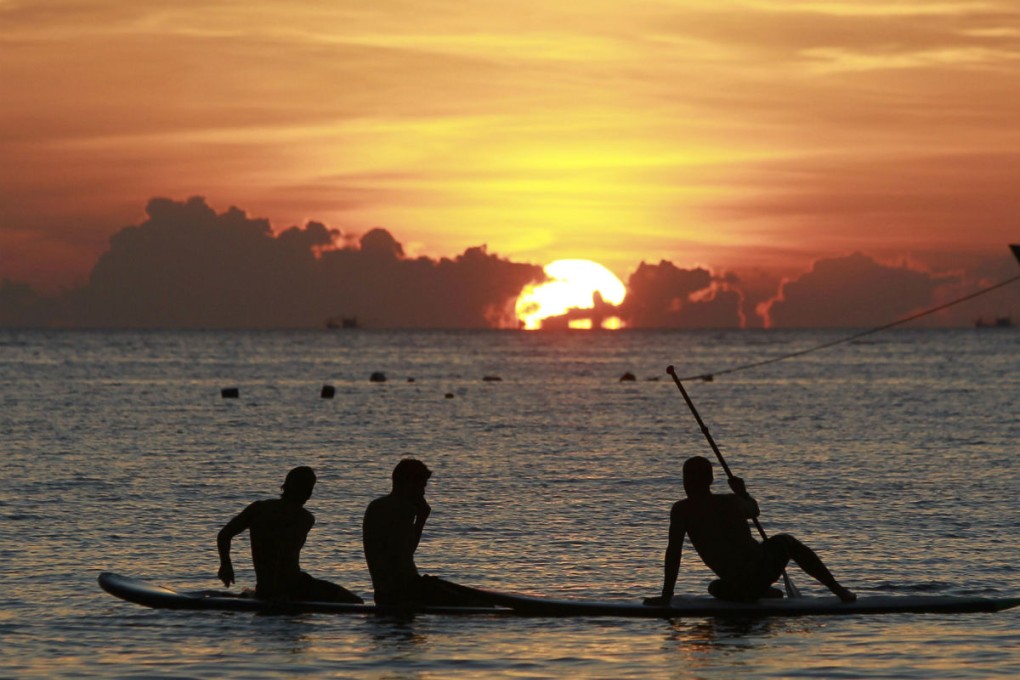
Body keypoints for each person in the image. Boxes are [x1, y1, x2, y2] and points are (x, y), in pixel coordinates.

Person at [645, 455, 856, 605]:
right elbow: (754, 509)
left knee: (784, 541)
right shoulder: (730, 502)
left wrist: (667, 595)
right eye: (686, 477)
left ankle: (835, 592)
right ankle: (836, 591)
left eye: (689, 478)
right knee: (784, 542)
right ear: (709, 480)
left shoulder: (683, 510)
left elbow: (674, 553)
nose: (686, 483)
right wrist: (742, 493)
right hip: (750, 577)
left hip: (746, 576)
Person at [217, 466, 363, 603]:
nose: (309, 493)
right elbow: (281, 552)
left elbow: (224, 535)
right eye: (308, 488)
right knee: (356, 602)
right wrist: (275, 593)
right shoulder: (303, 518)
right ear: (304, 491)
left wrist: (226, 564)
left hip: (272, 586)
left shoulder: (259, 508)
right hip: (293, 587)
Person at [363, 459, 489, 606]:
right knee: (479, 604)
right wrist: (421, 519)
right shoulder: (402, 509)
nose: (423, 492)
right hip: (401, 592)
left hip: (384, 591)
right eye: (421, 486)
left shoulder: (376, 506)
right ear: (410, 484)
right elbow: (404, 553)